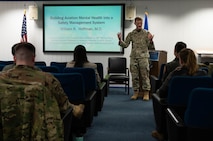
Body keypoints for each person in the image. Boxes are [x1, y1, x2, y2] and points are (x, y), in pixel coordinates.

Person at [0, 42, 84, 140]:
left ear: (14, 58)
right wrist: (78, 109)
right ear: (33, 58)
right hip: (38, 133)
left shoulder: (1, 78)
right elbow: (64, 105)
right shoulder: (47, 79)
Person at [151, 48, 207, 141]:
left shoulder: (176, 74)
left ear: (180, 60)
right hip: (198, 110)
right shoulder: (203, 74)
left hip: (176, 111)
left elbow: (162, 92)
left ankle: (161, 132)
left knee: (157, 97)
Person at [117, 16, 155, 101]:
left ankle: (146, 93)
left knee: (145, 76)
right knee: (134, 76)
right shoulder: (131, 34)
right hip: (134, 58)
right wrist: (120, 40)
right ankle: (135, 92)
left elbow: (151, 47)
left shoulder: (146, 34)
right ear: (135, 23)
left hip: (143, 58)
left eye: (140, 23)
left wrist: (151, 41)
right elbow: (125, 45)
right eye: (138, 23)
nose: (139, 25)